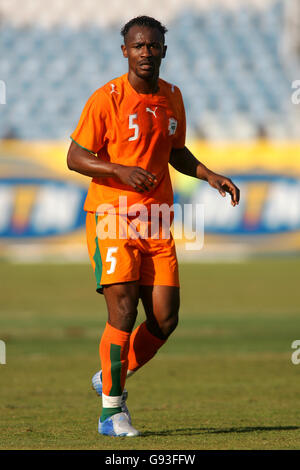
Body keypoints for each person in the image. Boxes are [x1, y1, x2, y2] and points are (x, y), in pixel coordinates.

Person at [67, 15, 240, 437]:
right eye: (138, 46)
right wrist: (119, 171)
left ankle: (110, 375)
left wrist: (209, 174)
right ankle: (112, 412)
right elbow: (75, 157)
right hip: (111, 216)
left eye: (153, 45)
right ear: (124, 51)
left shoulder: (173, 97)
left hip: (157, 220)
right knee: (123, 311)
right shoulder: (106, 98)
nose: (146, 52)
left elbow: (175, 151)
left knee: (165, 319)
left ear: (164, 50)